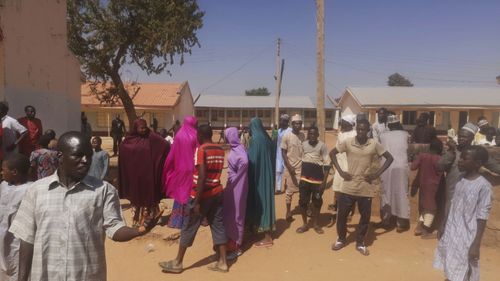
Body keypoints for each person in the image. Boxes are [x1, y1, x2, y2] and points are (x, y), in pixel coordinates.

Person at [10, 131, 158, 281]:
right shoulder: (36, 191)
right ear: (60, 156)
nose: (86, 160)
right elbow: (27, 239)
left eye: (89, 155)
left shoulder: (103, 190)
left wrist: (140, 230)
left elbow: (115, 229)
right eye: (78, 155)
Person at [159, 124, 228, 274]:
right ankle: (223, 262)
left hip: (202, 195)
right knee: (218, 225)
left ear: (200, 135)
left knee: (189, 227)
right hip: (217, 192)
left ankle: (178, 262)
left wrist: (196, 200)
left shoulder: (201, 150)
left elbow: (202, 175)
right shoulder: (220, 150)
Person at [330, 119, 394, 256]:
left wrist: (376, 174)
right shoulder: (348, 142)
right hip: (348, 186)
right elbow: (332, 153)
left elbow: (389, 158)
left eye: (363, 129)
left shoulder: (374, 144)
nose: (360, 132)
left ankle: (360, 242)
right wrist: (341, 172)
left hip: (365, 188)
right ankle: (341, 239)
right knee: (342, 216)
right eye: (359, 129)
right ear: (356, 129)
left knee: (365, 218)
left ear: (368, 131)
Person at [434, 146, 492, 281]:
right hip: (452, 230)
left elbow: (482, 217)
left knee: (465, 266)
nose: (459, 161)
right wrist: (443, 225)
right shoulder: (460, 179)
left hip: (467, 236)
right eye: (460, 157)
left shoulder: (484, 186)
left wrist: (476, 244)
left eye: (464, 159)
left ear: (477, 163)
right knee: (450, 261)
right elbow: (453, 204)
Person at [437, 123, 500, 217]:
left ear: (472, 138)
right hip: (452, 193)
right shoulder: (452, 151)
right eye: (460, 136)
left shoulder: (478, 152)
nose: (460, 138)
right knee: (449, 217)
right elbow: (440, 167)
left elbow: (495, 167)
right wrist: (451, 151)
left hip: (470, 193)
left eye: (464, 137)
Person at [119, 119, 170, 228]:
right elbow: (123, 149)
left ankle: (151, 219)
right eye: (141, 128)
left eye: (145, 127)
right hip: (135, 175)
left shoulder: (151, 137)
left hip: (148, 174)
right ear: (135, 128)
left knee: (148, 195)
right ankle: (137, 221)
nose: (143, 129)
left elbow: (165, 145)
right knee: (136, 197)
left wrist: (157, 161)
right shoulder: (129, 140)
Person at [163, 116, 198, 229]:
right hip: (192, 169)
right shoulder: (196, 135)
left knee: (180, 193)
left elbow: (172, 155)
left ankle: (176, 221)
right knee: (190, 193)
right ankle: (188, 221)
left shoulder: (178, 136)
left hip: (180, 169)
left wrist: (168, 168)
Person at [0, 153, 31, 281]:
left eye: (3, 169)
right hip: (2, 240)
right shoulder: (3, 186)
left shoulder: (30, 189)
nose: (1, 173)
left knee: (17, 270)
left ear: (14, 172)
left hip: (17, 244)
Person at [377, 115, 411, 232]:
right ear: (398, 124)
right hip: (401, 166)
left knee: (386, 192)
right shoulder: (406, 134)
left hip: (386, 167)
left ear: (388, 125)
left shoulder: (382, 136)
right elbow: (410, 150)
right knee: (401, 193)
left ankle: (386, 220)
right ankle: (401, 222)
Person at [246, 117, 276, 247]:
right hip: (268, 175)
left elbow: (251, 160)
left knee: (261, 201)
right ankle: (258, 229)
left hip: (258, 176)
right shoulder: (267, 139)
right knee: (266, 201)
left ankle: (267, 237)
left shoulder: (255, 141)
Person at [296, 126, 330, 235]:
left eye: (314, 134)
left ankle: (315, 224)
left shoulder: (322, 146)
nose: (312, 136)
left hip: (317, 181)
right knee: (302, 202)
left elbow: (327, 164)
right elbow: (300, 160)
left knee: (317, 203)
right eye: (310, 134)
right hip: (304, 179)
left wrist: (324, 182)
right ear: (308, 135)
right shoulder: (304, 145)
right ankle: (305, 224)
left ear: (317, 135)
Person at [221, 127, 249, 260]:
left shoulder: (239, 150)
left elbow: (244, 162)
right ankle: (231, 242)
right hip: (233, 184)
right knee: (231, 213)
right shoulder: (237, 148)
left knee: (237, 214)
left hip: (238, 185)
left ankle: (237, 246)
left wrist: (238, 177)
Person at [411, 138, 444, 238]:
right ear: (440, 148)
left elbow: (413, 167)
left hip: (423, 186)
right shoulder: (440, 158)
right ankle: (425, 231)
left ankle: (419, 227)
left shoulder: (422, 156)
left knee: (426, 207)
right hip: (435, 187)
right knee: (431, 209)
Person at [331, 114, 357, 217]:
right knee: (338, 190)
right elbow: (336, 149)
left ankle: (350, 213)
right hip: (339, 166)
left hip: (350, 166)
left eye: (343, 122)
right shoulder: (340, 134)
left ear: (348, 123)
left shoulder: (355, 134)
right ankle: (338, 210)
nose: (341, 124)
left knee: (350, 192)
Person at [281, 114, 305, 221]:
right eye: (296, 123)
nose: (298, 125)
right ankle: (288, 211)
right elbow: (283, 152)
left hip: (302, 168)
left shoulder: (303, 136)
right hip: (290, 168)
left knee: (303, 190)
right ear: (292, 124)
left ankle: (304, 208)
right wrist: (289, 166)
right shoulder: (287, 136)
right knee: (289, 192)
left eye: (299, 123)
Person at [275, 114, 291, 194]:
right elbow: (274, 140)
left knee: (288, 170)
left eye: (283, 121)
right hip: (278, 154)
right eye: (280, 120)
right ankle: (278, 188)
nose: (281, 122)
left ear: (287, 122)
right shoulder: (278, 131)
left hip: (287, 154)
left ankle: (289, 187)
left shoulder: (290, 130)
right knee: (278, 171)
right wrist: (274, 131)